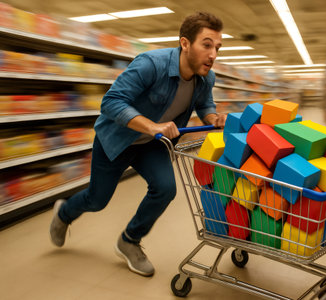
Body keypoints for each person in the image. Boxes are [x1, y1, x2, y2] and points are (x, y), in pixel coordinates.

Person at [49, 12, 227, 277]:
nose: (213, 54)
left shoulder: (206, 78)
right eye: (207, 44)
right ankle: (64, 213)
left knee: (165, 189)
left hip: (152, 145)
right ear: (185, 43)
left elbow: (204, 105)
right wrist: (152, 126)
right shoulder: (150, 64)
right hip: (117, 139)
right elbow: (111, 102)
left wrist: (214, 117)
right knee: (97, 200)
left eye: (217, 48)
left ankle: (129, 240)